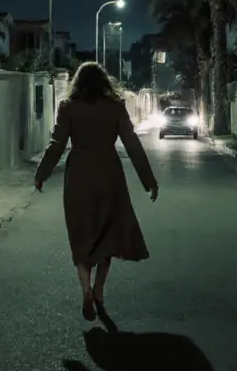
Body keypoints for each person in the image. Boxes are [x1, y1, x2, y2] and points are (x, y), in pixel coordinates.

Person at [34, 62, 158, 322]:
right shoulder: (115, 107)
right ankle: (100, 289)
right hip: (109, 175)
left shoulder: (68, 108)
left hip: (78, 176)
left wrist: (42, 173)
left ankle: (86, 290)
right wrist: (148, 180)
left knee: (81, 234)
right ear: (105, 82)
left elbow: (57, 144)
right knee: (107, 234)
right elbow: (132, 142)